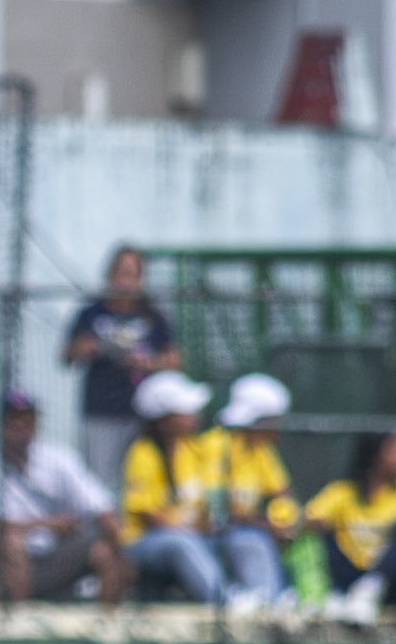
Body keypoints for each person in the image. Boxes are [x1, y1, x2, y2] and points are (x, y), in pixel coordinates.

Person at [0, 389, 129, 606]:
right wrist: (48, 524)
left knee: (104, 550)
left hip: (52, 557)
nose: (21, 426)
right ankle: (19, 625)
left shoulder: (58, 458)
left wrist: (120, 539)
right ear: (0, 424)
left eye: (28, 419)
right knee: (12, 543)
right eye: (13, 419)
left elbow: (101, 506)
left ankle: (109, 629)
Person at [65, 246, 182, 485]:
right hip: (101, 412)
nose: (127, 280)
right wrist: (86, 348)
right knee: (98, 481)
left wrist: (146, 362)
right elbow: (67, 355)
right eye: (122, 272)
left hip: (142, 414)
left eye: (133, 274)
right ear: (110, 274)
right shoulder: (91, 313)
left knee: (138, 480)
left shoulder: (153, 315)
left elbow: (173, 360)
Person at [119, 370, 228, 603]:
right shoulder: (143, 453)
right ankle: (223, 603)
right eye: (185, 410)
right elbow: (148, 515)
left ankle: (263, 602)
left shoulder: (193, 448)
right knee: (180, 543)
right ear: (164, 420)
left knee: (242, 539)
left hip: (193, 534)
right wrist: (192, 530)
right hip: (146, 542)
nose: (194, 414)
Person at [198, 372, 297, 605]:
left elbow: (284, 493)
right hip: (215, 534)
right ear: (256, 419)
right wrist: (266, 525)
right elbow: (215, 510)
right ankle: (267, 605)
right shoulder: (216, 444)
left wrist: (288, 521)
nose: (278, 430)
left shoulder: (261, 449)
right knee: (253, 541)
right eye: (273, 421)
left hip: (251, 528)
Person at [305, 432, 396, 625]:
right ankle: (335, 595)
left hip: (394, 583)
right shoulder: (342, 492)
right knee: (320, 530)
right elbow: (305, 520)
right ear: (375, 452)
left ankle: (371, 587)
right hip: (351, 574)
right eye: (394, 450)